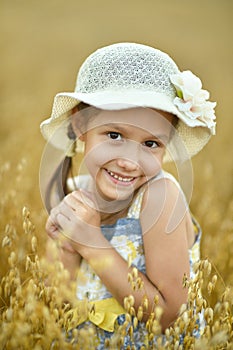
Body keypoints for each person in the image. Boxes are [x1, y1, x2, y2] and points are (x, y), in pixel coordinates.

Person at [40, 42, 216, 348]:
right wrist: (67, 249)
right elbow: (51, 312)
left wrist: (91, 244)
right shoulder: (73, 197)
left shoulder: (160, 198)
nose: (130, 161)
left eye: (151, 144)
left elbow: (172, 319)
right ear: (81, 124)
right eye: (115, 135)